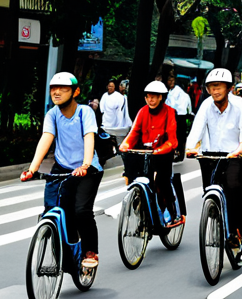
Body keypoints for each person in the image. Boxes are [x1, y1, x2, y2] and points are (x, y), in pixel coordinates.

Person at [22, 72, 104, 269]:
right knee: (55, 210)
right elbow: (46, 138)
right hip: (63, 167)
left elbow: (88, 138)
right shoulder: (52, 114)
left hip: (88, 168)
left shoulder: (85, 112)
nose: (56, 92)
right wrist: (32, 169)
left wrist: (85, 165)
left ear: (75, 91)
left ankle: (89, 250)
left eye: (63, 88)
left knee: (81, 211)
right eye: (53, 88)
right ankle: (67, 255)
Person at [185, 68, 242, 263]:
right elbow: (196, 130)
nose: (215, 91)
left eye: (219, 87)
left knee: (234, 188)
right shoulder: (206, 105)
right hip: (210, 156)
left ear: (229, 88)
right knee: (210, 194)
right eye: (212, 87)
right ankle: (214, 221)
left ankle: (238, 235)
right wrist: (190, 148)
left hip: (234, 155)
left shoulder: (241, 106)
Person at [119, 81, 181, 224]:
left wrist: (159, 150)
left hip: (163, 152)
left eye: (154, 97)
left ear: (161, 97)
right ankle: (142, 210)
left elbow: (172, 140)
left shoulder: (170, 112)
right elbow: (134, 133)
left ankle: (171, 212)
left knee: (162, 181)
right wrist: (125, 145)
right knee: (136, 176)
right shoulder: (142, 111)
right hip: (146, 151)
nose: (151, 100)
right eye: (148, 97)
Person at [165, 73, 193, 162]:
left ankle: (177, 153)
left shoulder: (175, 93)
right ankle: (179, 154)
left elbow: (171, 105)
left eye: (171, 80)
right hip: (182, 116)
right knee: (181, 137)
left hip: (177, 116)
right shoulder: (182, 93)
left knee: (177, 136)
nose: (170, 82)